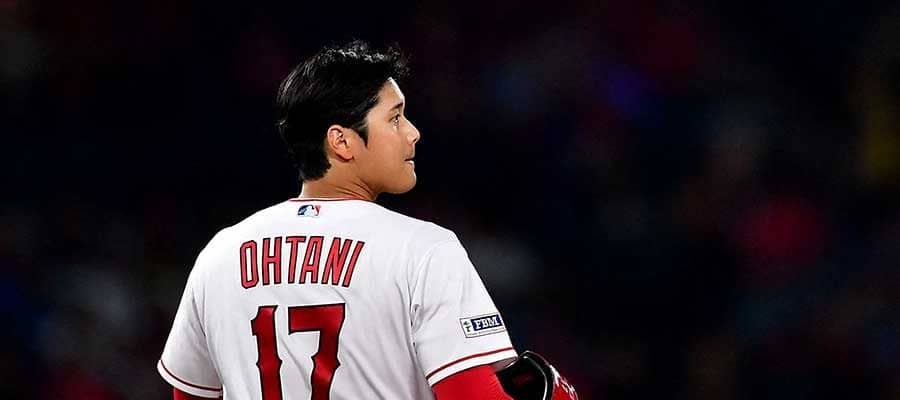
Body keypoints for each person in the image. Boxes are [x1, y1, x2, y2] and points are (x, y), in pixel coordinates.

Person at [157, 40, 577, 400]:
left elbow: (188, 394)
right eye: (394, 118)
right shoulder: (424, 250)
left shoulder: (219, 254)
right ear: (341, 141)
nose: (412, 132)